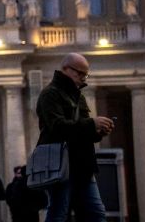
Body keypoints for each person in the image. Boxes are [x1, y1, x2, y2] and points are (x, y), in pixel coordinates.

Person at [36, 52, 114, 222]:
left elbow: (83, 130)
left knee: (97, 213)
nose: (83, 78)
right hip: (61, 164)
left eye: (85, 74)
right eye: (79, 73)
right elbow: (57, 127)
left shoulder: (79, 96)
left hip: (82, 164)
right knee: (59, 212)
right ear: (65, 69)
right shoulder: (50, 94)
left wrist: (98, 131)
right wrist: (92, 124)